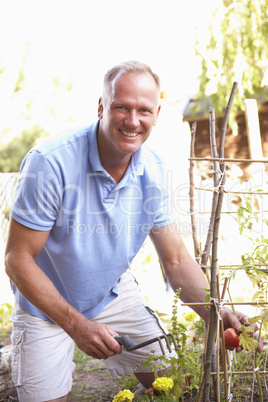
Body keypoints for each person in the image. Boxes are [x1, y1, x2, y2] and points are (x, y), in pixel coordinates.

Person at [5, 60, 262, 402]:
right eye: (121, 107)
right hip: (45, 304)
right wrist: (77, 325)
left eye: (143, 110)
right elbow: (16, 259)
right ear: (101, 106)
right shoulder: (50, 162)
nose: (132, 120)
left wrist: (219, 312)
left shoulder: (154, 170)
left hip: (110, 293)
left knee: (175, 382)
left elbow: (175, 260)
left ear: (156, 114)